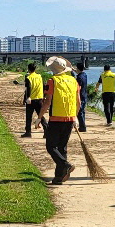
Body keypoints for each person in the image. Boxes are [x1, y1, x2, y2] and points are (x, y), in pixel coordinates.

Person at [34, 57, 79, 185]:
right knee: (62, 148)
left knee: (51, 146)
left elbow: (47, 101)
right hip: (70, 118)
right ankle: (58, 178)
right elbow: (78, 102)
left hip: (56, 118)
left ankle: (66, 165)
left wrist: (39, 118)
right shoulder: (73, 81)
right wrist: (75, 117)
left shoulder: (52, 81)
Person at [22, 63, 45, 138]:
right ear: (35, 69)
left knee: (29, 116)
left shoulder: (28, 77)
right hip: (39, 98)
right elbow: (43, 86)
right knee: (40, 115)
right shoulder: (39, 76)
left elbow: (28, 89)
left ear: (28, 69)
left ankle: (28, 132)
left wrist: (26, 98)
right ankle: (47, 130)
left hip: (31, 100)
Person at [74, 62, 88, 132]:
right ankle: (83, 125)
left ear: (77, 68)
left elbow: (77, 87)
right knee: (82, 111)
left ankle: (82, 127)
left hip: (80, 95)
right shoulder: (84, 75)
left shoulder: (79, 77)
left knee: (80, 112)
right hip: (84, 95)